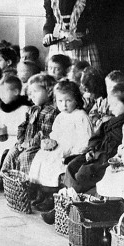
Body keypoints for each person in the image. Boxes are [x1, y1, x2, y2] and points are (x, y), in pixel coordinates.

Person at [28, 80, 93, 211]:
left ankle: (52, 196)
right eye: (60, 101)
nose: (64, 105)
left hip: (72, 151)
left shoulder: (81, 116)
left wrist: (73, 152)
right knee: (41, 157)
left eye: (68, 101)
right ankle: (41, 191)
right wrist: (50, 141)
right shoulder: (60, 116)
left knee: (54, 163)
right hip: (58, 147)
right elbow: (55, 133)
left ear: (76, 99)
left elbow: (86, 139)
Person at [63, 82, 124, 194]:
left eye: (115, 105)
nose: (110, 108)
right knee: (72, 166)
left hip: (106, 159)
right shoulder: (110, 121)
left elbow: (115, 149)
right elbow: (96, 137)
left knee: (84, 173)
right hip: (95, 153)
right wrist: (91, 150)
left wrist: (96, 154)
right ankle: (69, 197)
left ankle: (74, 198)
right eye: (109, 104)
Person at [42, 0, 101, 70]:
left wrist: (80, 41)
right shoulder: (51, 2)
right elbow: (49, 24)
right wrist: (47, 35)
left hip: (83, 46)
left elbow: (97, 30)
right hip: (60, 47)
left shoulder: (88, 2)